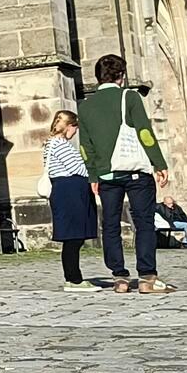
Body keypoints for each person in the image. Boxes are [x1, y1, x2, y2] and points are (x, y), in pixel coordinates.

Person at [78, 54, 171, 293]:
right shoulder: (129, 97)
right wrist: (159, 163)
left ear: (98, 77)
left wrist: (92, 175)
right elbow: (144, 132)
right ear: (121, 75)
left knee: (110, 224)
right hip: (135, 172)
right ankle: (147, 276)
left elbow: (85, 147)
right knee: (144, 222)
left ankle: (119, 276)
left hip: (106, 175)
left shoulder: (85, 106)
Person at [42, 110, 98, 292]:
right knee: (73, 236)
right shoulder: (58, 144)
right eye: (75, 127)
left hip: (70, 190)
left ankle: (74, 277)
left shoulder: (57, 143)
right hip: (69, 191)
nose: (75, 131)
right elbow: (76, 168)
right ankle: (73, 279)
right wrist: (93, 171)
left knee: (75, 236)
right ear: (69, 126)